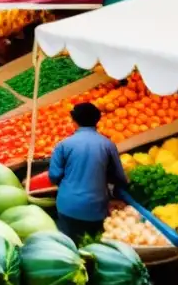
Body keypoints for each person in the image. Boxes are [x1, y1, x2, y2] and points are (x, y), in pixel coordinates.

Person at [47, 102, 127, 242]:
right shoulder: (108, 145)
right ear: (97, 120)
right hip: (96, 208)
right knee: (94, 247)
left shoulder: (63, 145)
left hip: (68, 205)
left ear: (74, 121)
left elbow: (54, 176)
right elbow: (119, 177)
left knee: (71, 246)